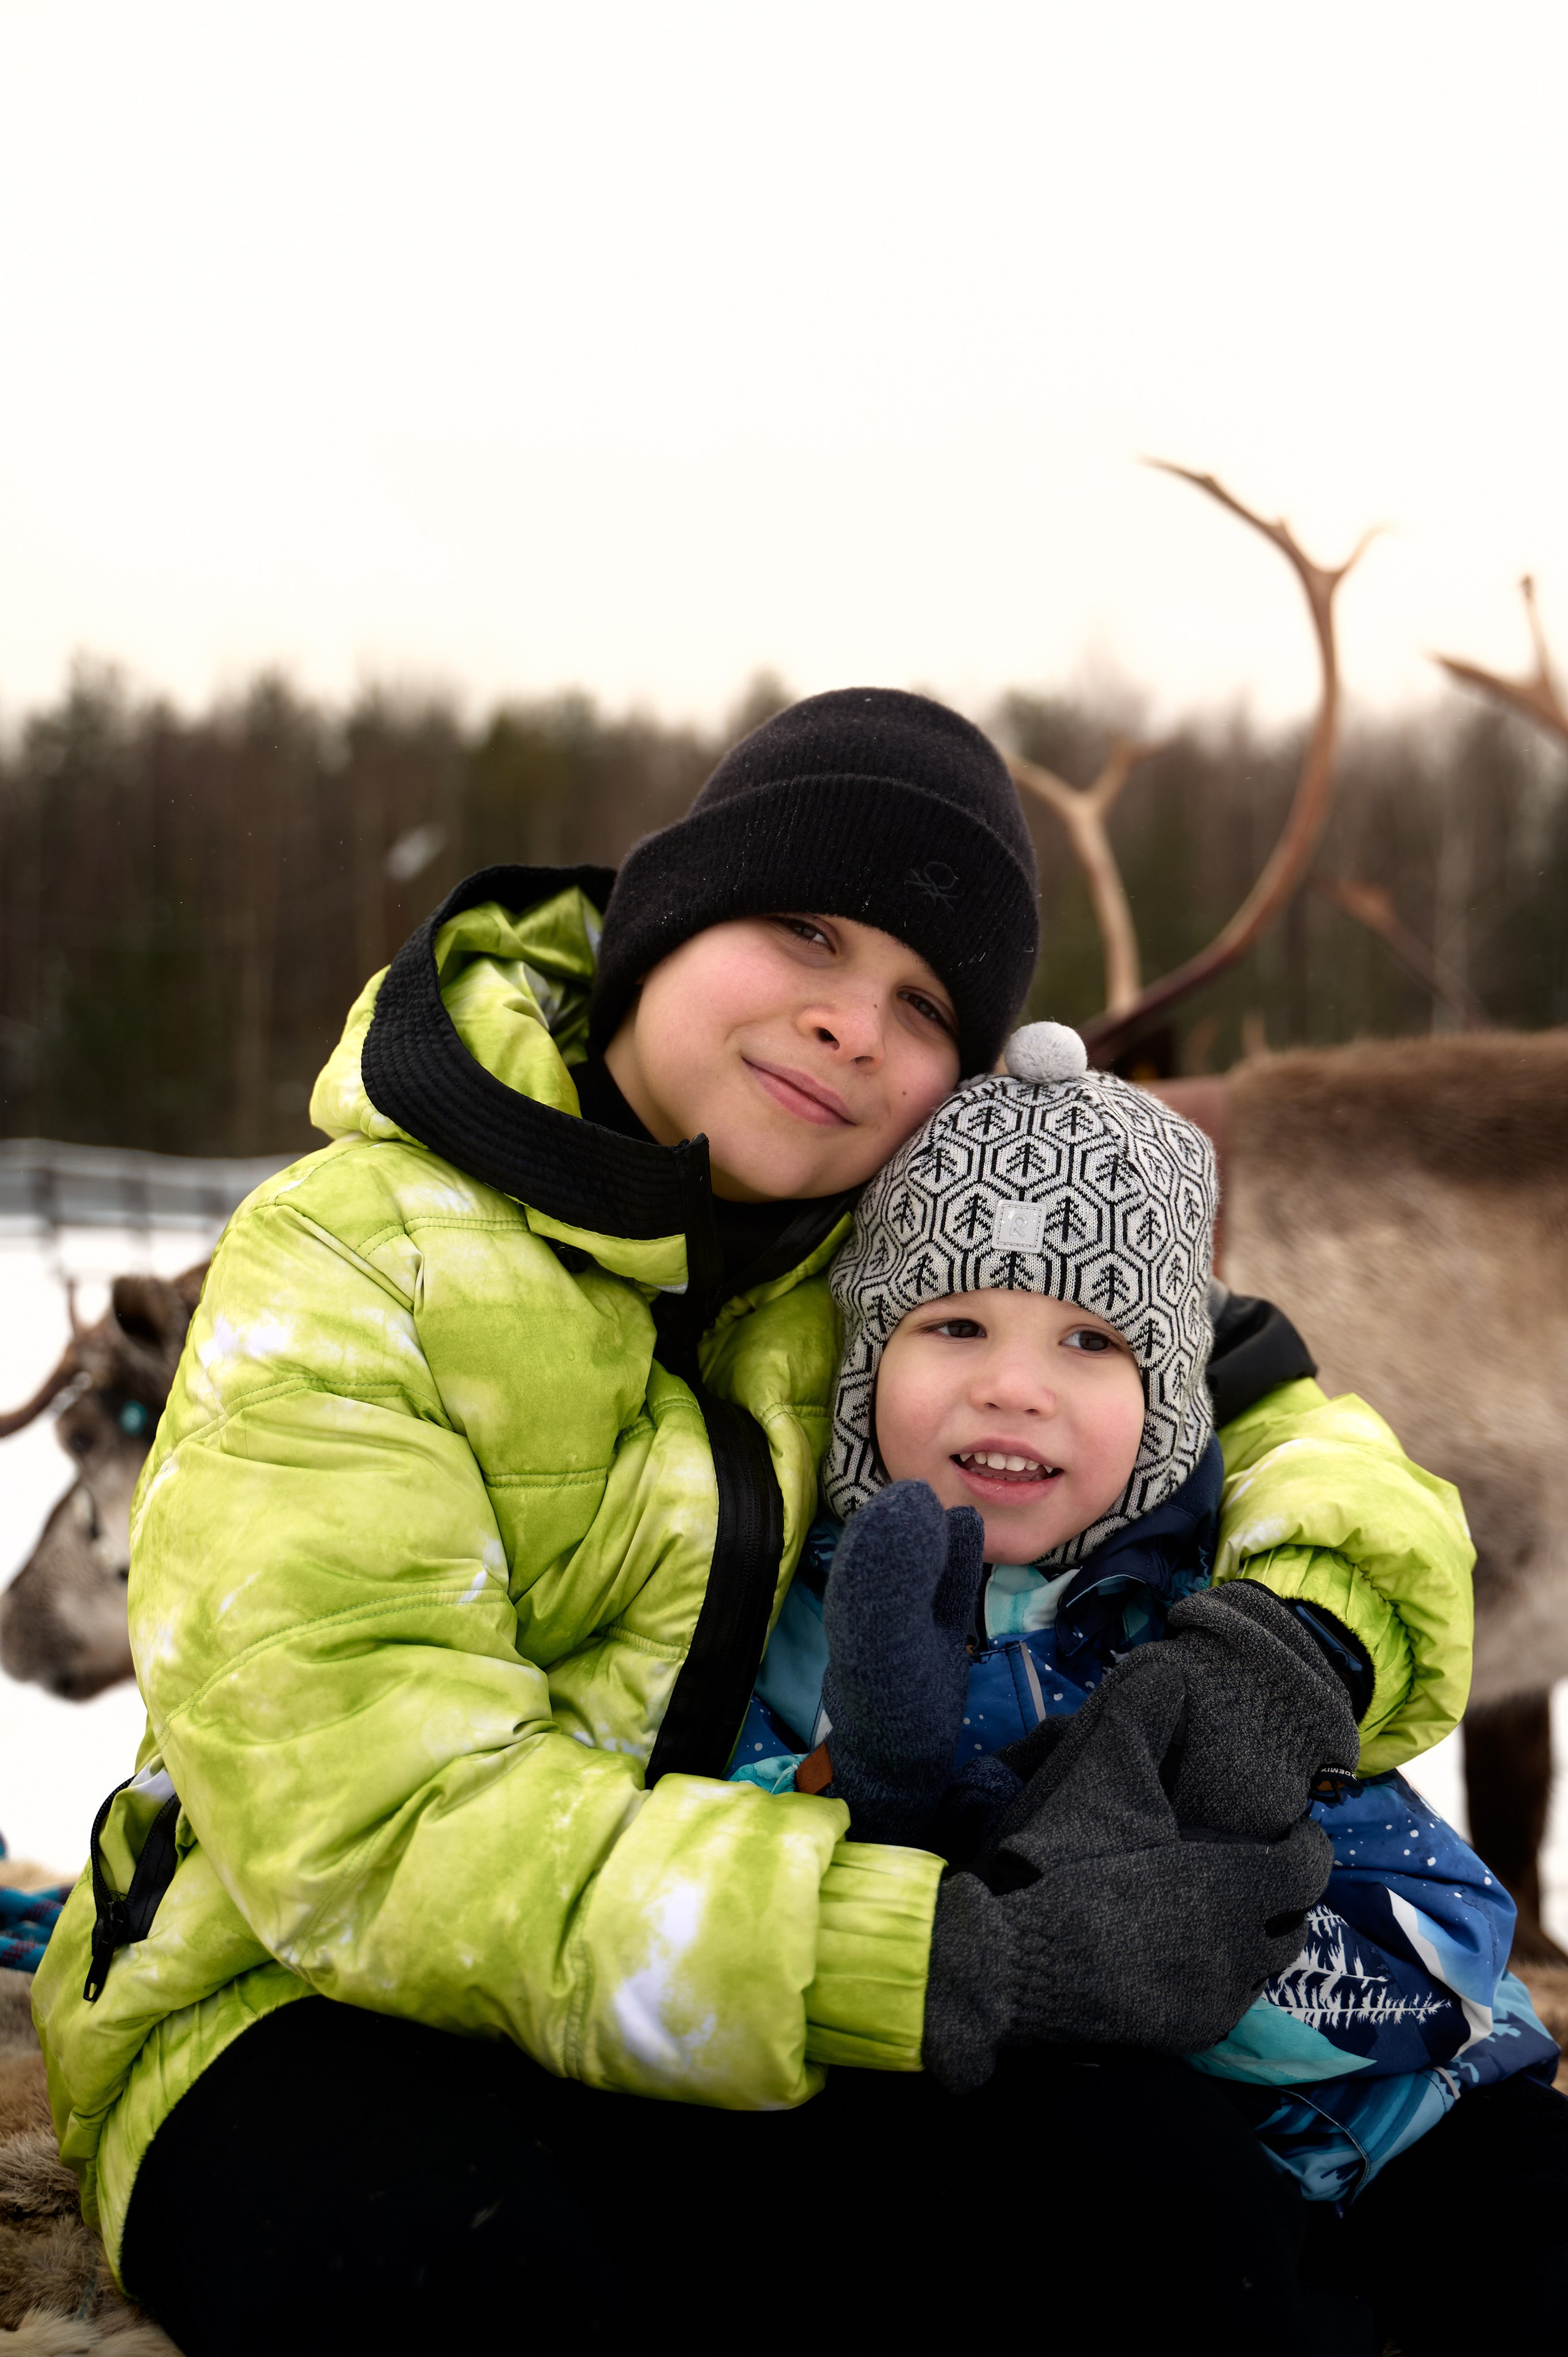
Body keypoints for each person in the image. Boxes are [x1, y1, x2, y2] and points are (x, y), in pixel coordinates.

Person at [32, 692, 1478, 2354]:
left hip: (735, 1985)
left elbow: (1287, 1418)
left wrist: (1296, 1640)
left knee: (1167, 2216)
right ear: (664, 917)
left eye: (921, 1004)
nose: (853, 1024)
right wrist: (935, 1953)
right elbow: (371, 1822)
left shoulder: (901, 1252)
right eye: (805, 928)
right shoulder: (353, 1259)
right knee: (479, 2293)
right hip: (294, 1998)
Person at [729, 1020, 1562, 2348]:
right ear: (861, 1366)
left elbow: (1422, 1902)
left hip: (1411, 2104)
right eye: (951, 1322)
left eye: (1090, 1342)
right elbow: (743, 1840)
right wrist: (876, 1790)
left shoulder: (1225, 1586)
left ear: (1170, 1393)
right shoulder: (794, 1614)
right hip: (1133, 2148)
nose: (1013, 1387)